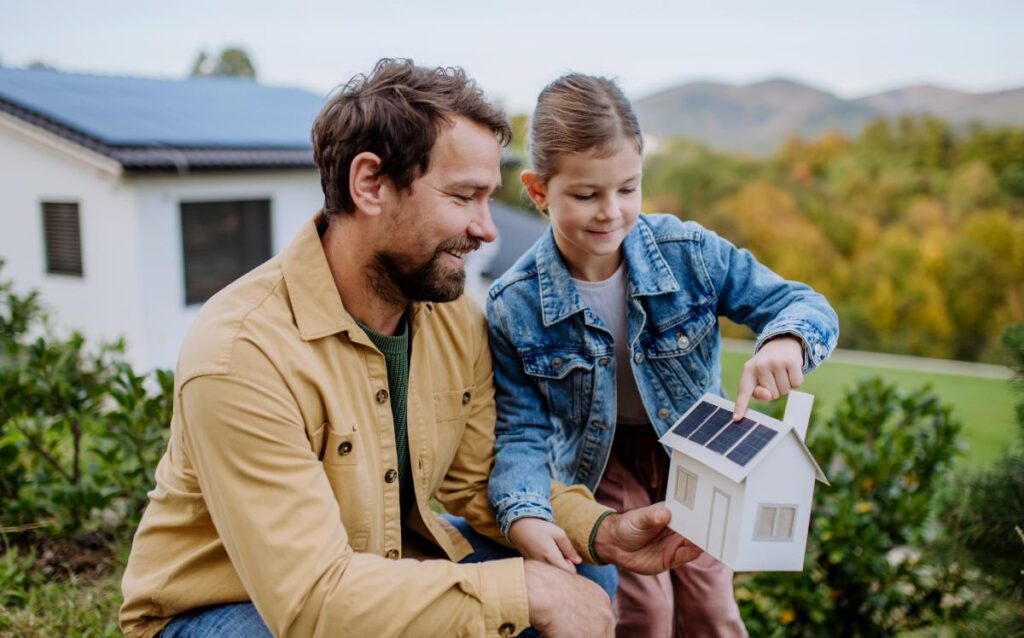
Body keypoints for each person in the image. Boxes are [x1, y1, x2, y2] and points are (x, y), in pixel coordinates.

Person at [119, 59, 701, 638]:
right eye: (464, 197)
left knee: (583, 574)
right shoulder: (242, 354)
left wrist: (601, 531)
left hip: (382, 563)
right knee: (533, 591)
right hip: (232, 608)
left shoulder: (449, 315)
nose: (487, 228)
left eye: (488, 199)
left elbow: (480, 479)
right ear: (370, 184)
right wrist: (522, 592)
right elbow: (311, 603)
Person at [486, 73, 839, 637]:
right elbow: (521, 429)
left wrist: (786, 339)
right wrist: (524, 509)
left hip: (700, 453)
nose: (611, 212)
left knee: (712, 612)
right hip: (598, 466)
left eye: (628, 189)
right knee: (643, 613)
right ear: (536, 191)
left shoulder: (689, 254)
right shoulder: (514, 303)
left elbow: (802, 303)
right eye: (585, 195)